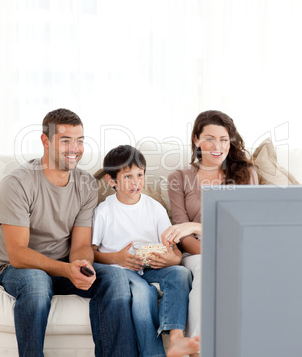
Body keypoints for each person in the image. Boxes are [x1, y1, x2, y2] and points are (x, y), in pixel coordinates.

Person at [0, 108, 139, 357]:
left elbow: (81, 245)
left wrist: (81, 266)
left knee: (115, 279)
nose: (75, 148)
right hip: (18, 269)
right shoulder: (17, 183)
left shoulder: (85, 184)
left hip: (64, 264)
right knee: (37, 282)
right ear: (45, 141)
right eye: (65, 141)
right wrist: (66, 270)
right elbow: (18, 254)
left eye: (80, 141)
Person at [162, 110, 259, 357]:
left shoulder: (245, 174)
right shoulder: (179, 178)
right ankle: (198, 347)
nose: (218, 146)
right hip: (197, 252)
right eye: (210, 138)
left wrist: (198, 228)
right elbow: (181, 234)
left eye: (224, 139)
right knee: (208, 265)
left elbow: (247, 227)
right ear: (196, 139)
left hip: (236, 248)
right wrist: (213, 249)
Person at [92, 145, 200, 357]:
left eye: (140, 175)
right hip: (120, 269)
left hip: (150, 266)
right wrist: (117, 258)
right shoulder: (104, 211)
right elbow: (91, 251)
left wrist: (172, 260)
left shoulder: (154, 207)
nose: (136, 182)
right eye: (128, 176)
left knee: (182, 273)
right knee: (143, 295)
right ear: (111, 180)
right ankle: (153, 354)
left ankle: (176, 337)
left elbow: (174, 250)